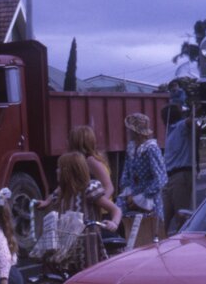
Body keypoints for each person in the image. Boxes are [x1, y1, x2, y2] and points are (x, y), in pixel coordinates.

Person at [40, 153, 121, 272]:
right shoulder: (62, 193)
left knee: (88, 274)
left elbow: (115, 209)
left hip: (87, 244)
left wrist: (114, 223)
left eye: (60, 168)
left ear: (69, 172)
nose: (57, 171)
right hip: (67, 242)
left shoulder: (88, 190)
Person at [117, 113, 167, 243]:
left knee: (150, 234)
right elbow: (126, 173)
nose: (128, 132)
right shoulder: (132, 148)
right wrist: (128, 194)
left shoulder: (151, 149)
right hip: (132, 197)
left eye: (130, 129)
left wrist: (143, 197)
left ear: (136, 131)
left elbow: (161, 178)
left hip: (148, 199)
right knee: (119, 214)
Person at [160, 104, 193, 235]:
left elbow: (190, 121)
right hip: (168, 177)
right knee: (163, 216)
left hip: (180, 175)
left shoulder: (180, 127)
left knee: (181, 215)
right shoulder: (169, 131)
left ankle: (181, 245)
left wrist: (195, 109)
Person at [67, 126, 115, 201]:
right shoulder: (81, 160)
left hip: (100, 211)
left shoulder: (91, 160)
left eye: (70, 140)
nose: (67, 142)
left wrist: (101, 204)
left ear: (77, 143)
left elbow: (109, 187)